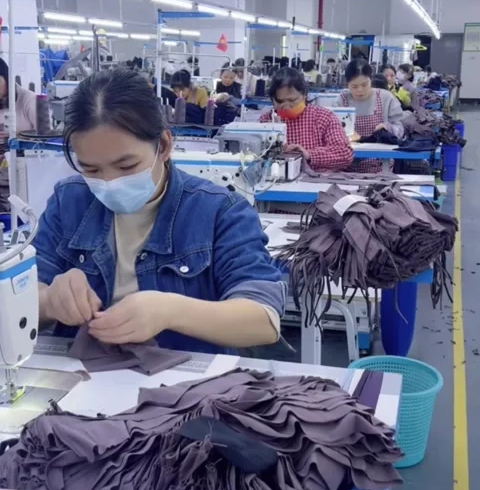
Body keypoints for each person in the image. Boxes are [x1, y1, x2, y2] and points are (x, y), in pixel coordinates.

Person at [35, 69, 285, 354]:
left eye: (126, 166)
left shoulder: (220, 211)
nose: (109, 182)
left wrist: (171, 311)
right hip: (83, 380)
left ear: (164, 146)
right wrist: (49, 300)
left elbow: (264, 319)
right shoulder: (68, 201)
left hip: (187, 389)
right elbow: (19, 299)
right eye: (91, 169)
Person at [260, 68, 353, 172]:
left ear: (304, 95)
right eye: (280, 101)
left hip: (316, 181)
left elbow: (345, 153)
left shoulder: (323, 117)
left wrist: (309, 154)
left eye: (292, 100)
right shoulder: (266, 121)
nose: (286, 106)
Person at [337, 60, 404, 172]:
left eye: (364, 84)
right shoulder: (342, 100)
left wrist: (388, 128)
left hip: (382, 166)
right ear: (347, 84)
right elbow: (331, 131)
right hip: (347, 165)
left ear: (371, 79)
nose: (360, 90)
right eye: (354, 86)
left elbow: (400, 129)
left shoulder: (385, 98)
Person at [0, 58, 37, 210]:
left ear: (7, 78)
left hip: (21, 172)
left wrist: (17, 135)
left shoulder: (29, 100)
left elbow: (46, 136)